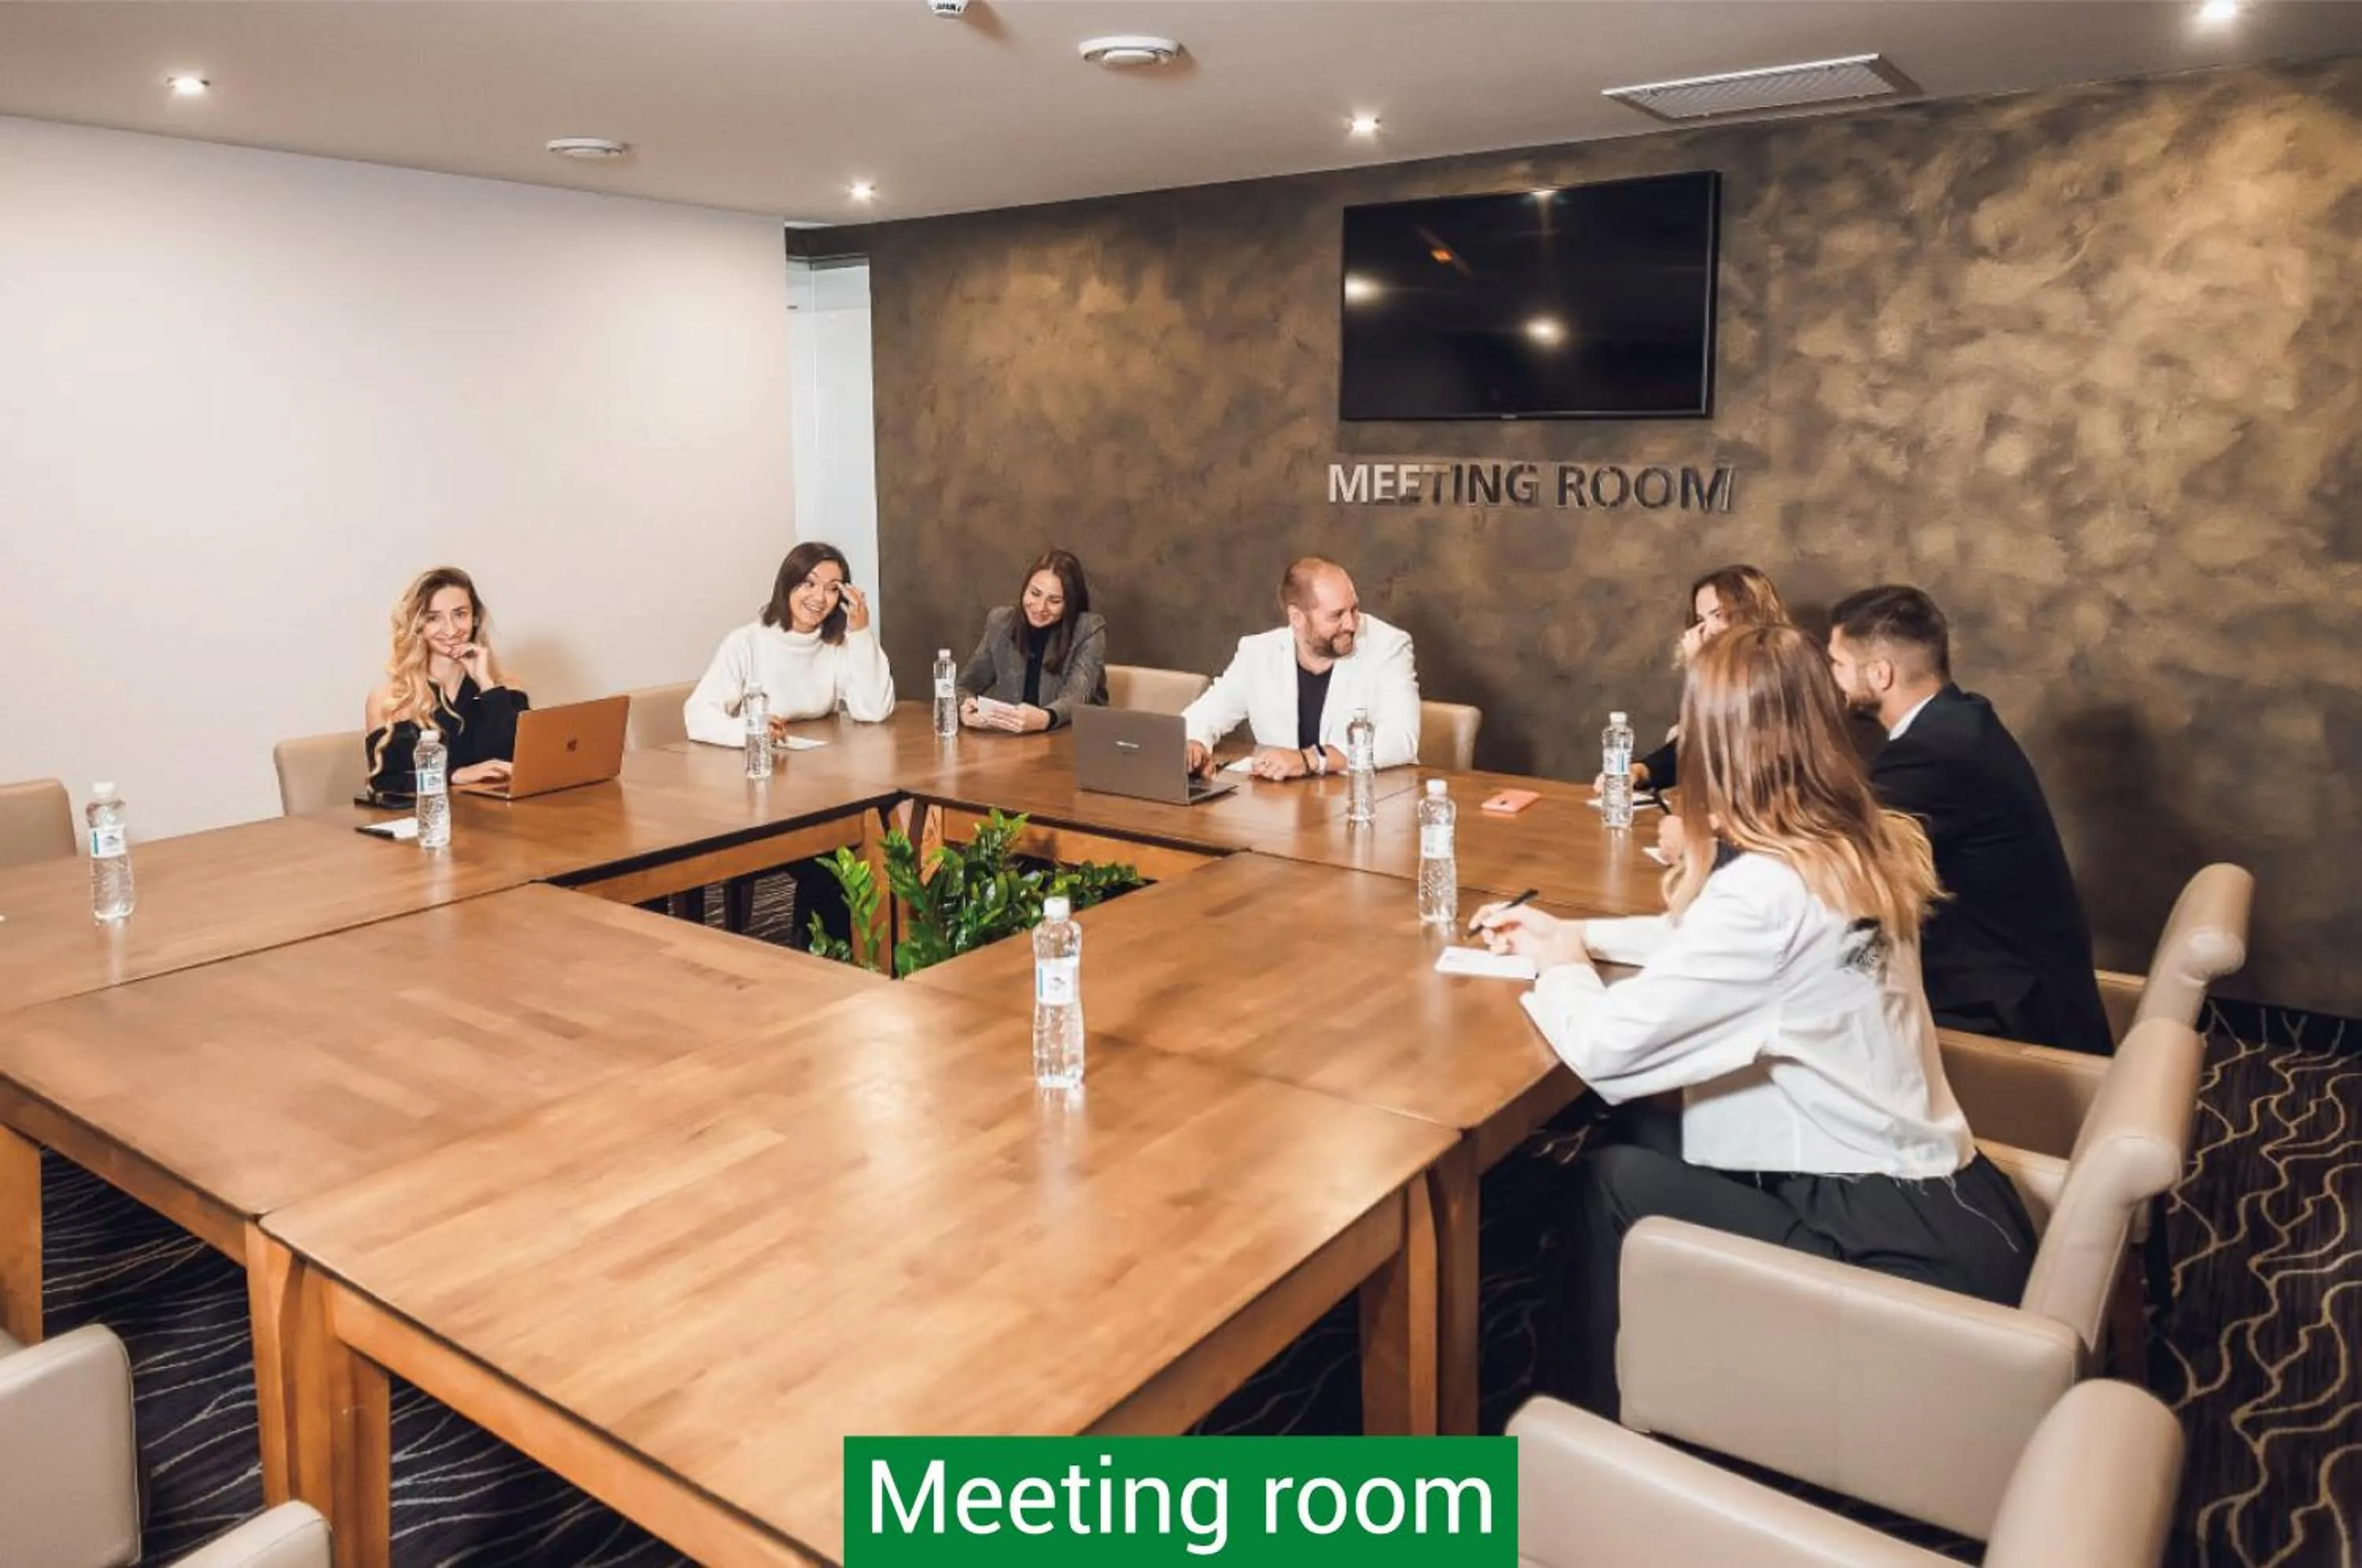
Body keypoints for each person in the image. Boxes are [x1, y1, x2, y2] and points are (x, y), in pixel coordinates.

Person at [1475, 624, 2034, 1417]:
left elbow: (1605, 1048)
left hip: (1896, 1254)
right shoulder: (1855, 839)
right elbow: (1726, 947)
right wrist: (1579, 934)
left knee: (1614, 1178)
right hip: (1950, 1207)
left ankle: (1576, 1435)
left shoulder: (1765, 891)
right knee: (1649, 1130)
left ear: (1715, 743)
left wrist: (1560, 965)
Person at [1827, 586, 2113, 1055]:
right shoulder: (1960, 718)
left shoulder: (1932, 752)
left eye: (1836, 663)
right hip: (2019, 977)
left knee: (1818, 1005)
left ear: (1880, 674)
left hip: (2008, 1011)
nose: (1830, 678)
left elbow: (1833, 850)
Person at [1180, 557, 1420, 780]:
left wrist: (1311, 759)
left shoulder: (1389, 646)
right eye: (1336, 616)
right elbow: (1204, 715)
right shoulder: (1258, 654)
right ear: (1297, 617)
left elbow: (1400, 739)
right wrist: (1194, 744)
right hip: (1280, 810)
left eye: (1354, 610)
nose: (1351, 624)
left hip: (1363, 800)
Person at [684, 542, 894, 745]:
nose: (820, 598)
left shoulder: (836, 645)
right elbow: (698, 717)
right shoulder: (746, 642)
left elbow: (874, 710)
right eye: (809, 584)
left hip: (824, 763)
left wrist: (861, 633)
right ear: (787, 585)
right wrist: (752, 729)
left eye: (832, 589)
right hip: (764, 763)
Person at [365, 567, 530, 795]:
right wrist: (455, 775)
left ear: (475, 619)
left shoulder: (505, 689)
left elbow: (524, 765)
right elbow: (384, 784)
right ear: (418, 626)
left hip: (500, 819)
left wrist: (486, 684)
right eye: (433, 618)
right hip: (427, 821)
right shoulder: (389, 698)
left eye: (460, 614)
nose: (451, 629)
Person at [1627, 564, 1788, 793]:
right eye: (1700, 618)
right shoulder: (1724, 672)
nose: (1707, 629)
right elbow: (1695, 745)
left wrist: (1700, 674)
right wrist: (1643, 770)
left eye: (1718, 615)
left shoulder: (1781, 670)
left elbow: (1734, 748)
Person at [956, 549, 1107, 732]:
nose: (1040, 607)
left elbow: (1077, 697)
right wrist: (964, 709)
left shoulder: (1089, 629)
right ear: (1025, 589)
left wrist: (1046, 718)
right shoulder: (1001, 622)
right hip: (1017, 744)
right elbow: (963, 686)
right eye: (1035, 593)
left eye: (1054, 600)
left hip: (1074, 739)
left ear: (1070, 603)